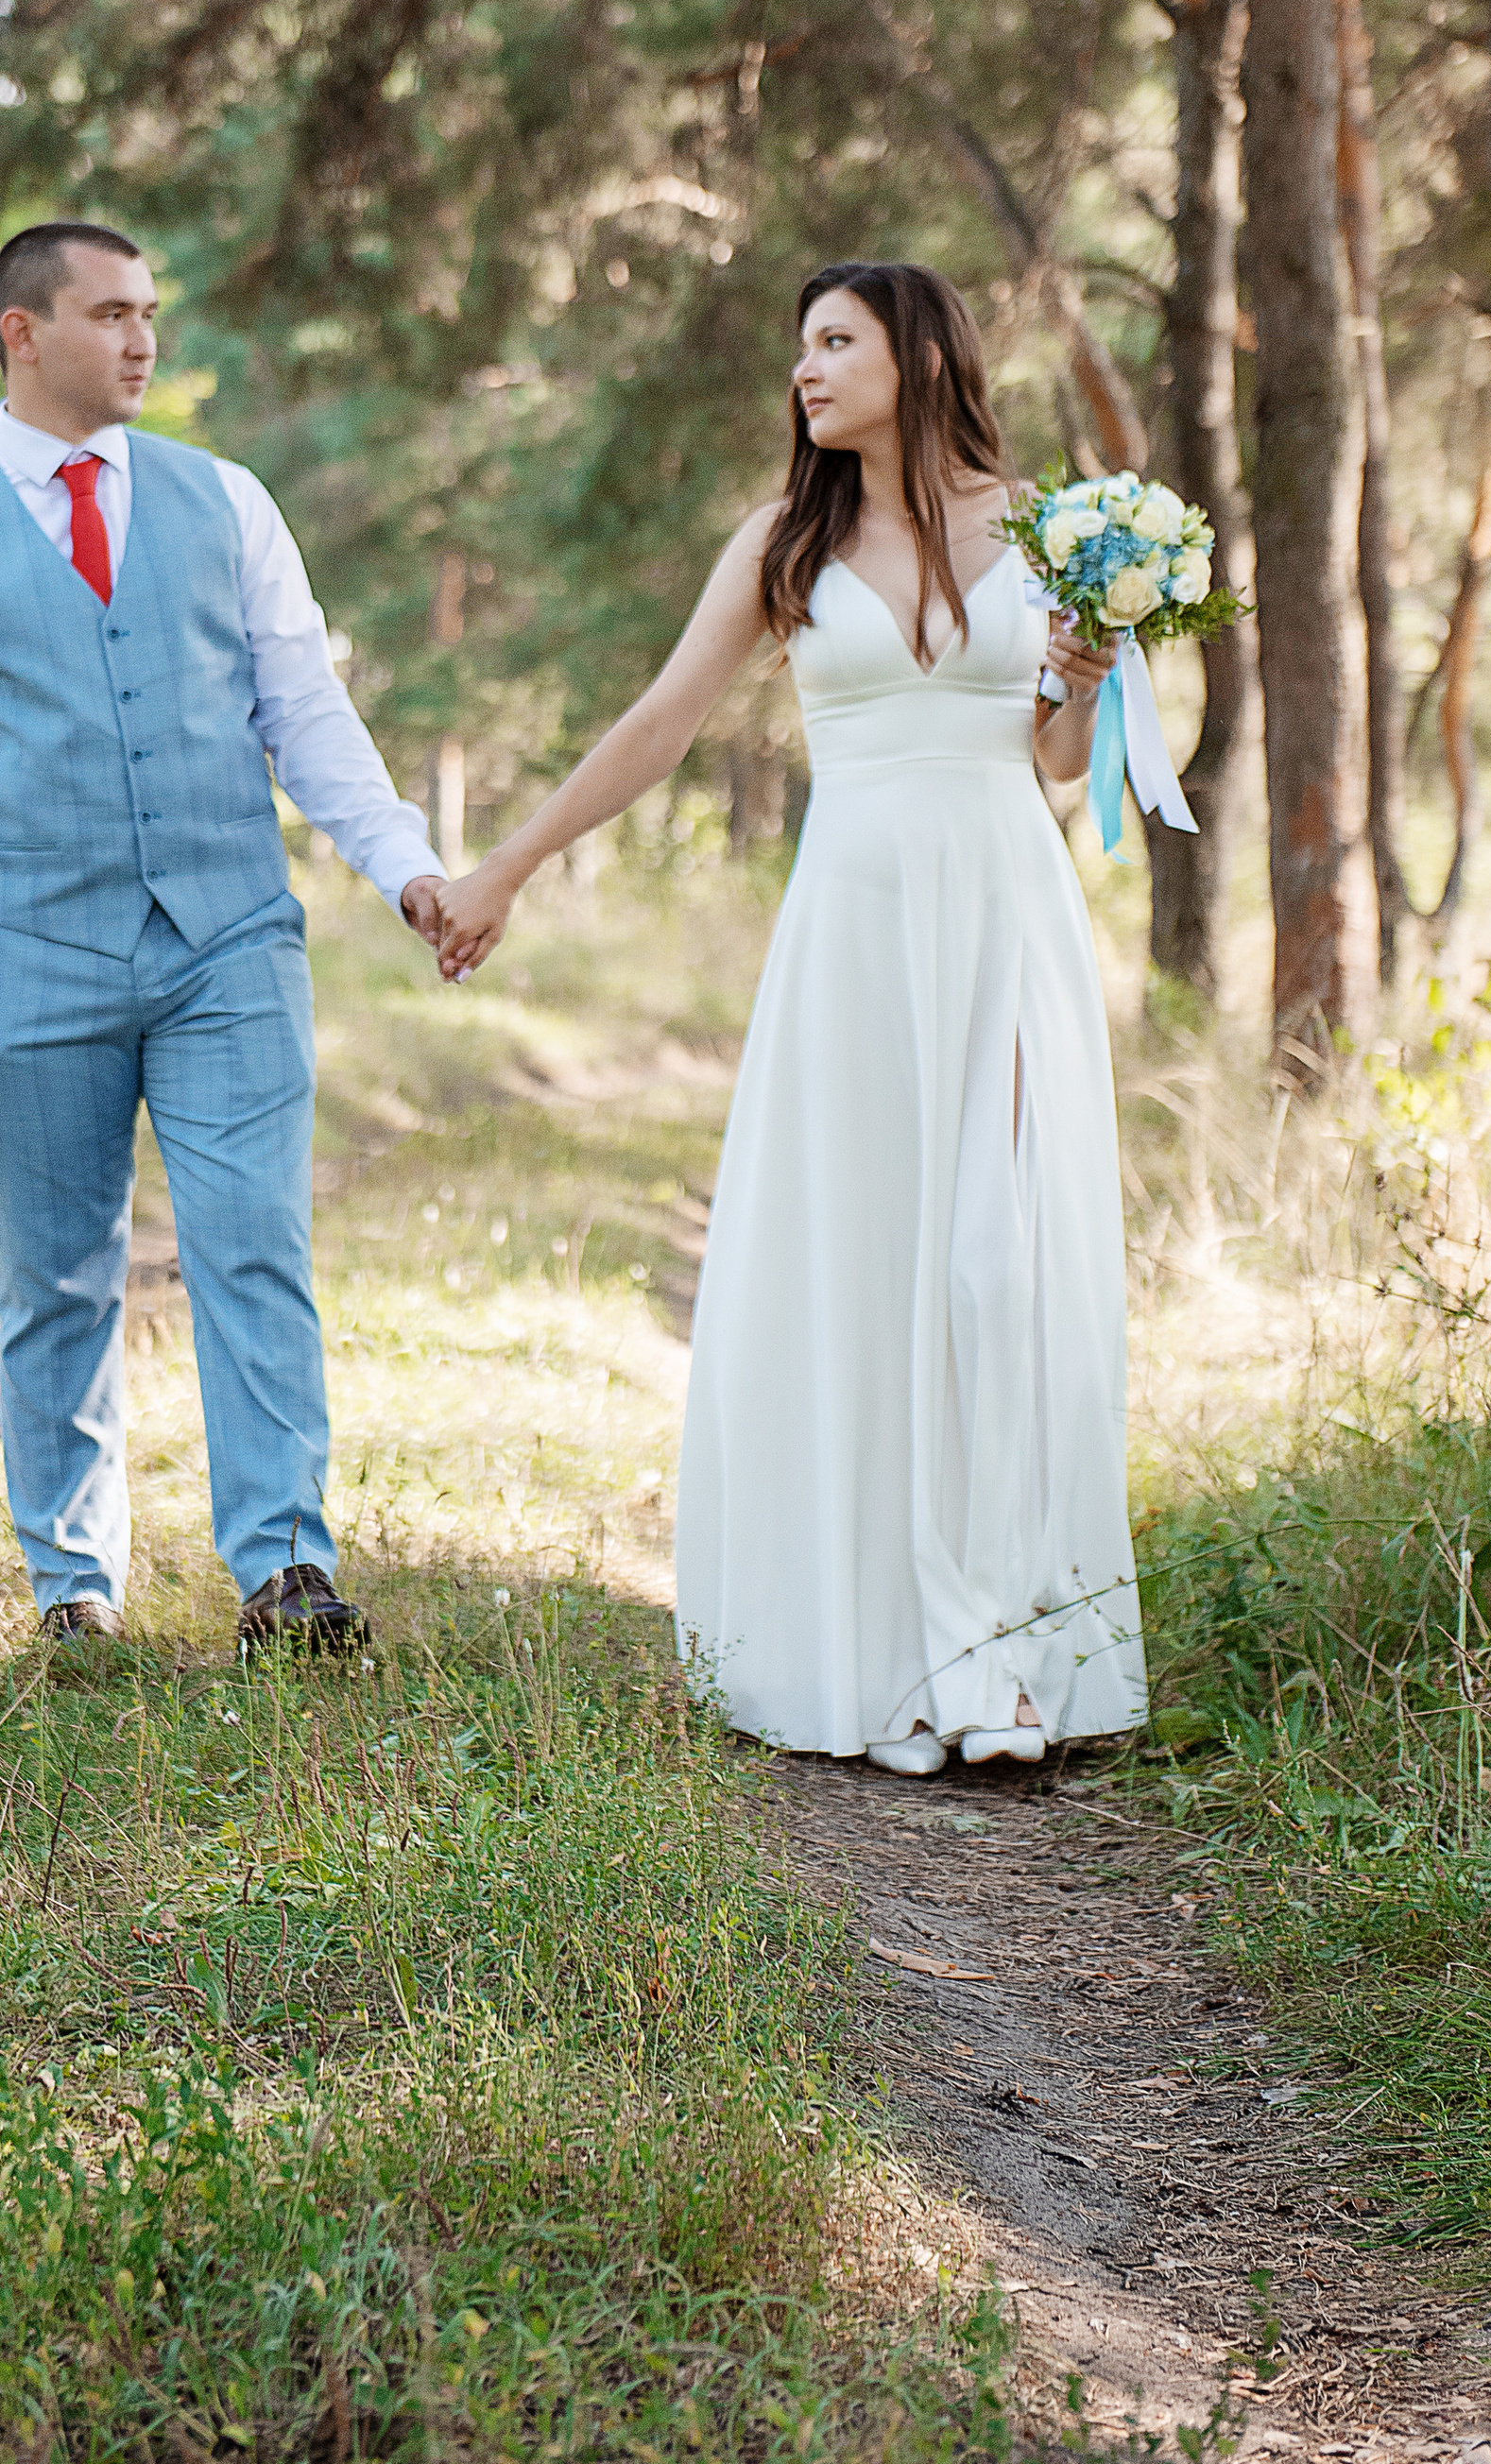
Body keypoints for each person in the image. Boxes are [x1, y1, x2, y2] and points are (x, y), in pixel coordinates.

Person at [434, 261, 1148, 1773]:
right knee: (872, 1266)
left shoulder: (1041, 528)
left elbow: (1064, 760)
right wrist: (509, 861)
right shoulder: (783, 543)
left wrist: (1080, 671)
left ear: (917, 351)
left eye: (836, 340)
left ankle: (998, 1646)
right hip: (857, 923)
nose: (806, 370)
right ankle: (882, 1660)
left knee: (991, 1272)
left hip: (1006, 906)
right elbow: (658, 722)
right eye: (800, 345)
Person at [0, 221, 448, 1666]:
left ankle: (285, 1566)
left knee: (252, 1244)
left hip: (228, 942)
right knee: (56, 1274)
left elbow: (307, 714)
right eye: (111, 313)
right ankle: (72, 1588)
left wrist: (404, 865)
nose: (144, 338)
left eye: (151, 311)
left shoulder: (229, 504)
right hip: (32, 952)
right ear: (23, 334)